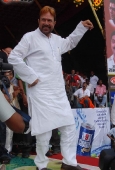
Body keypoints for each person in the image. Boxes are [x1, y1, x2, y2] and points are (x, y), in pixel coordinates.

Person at [8, 6, 94, 170]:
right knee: (44, 132)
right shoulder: (30, 38)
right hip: (40, 92)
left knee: (69, 126)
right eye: (43, 20)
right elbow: (13, 57)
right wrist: (30, 77)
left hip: (58, 92)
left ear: (54, 22)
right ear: (38, 21)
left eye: (49, 20)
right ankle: (41, 165)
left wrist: (81, 27)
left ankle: (69, 163)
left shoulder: (56, 40)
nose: (46, 23)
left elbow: (69, 42)